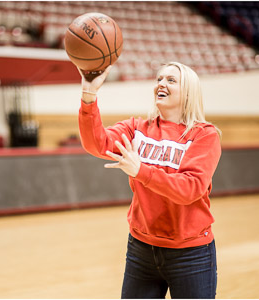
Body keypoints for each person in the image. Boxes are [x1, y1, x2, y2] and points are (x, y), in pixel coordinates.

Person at [78, 63, 221, 299]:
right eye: (159, 79)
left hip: (190, 254)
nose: (161, 84)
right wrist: (89, 94)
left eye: (171, 80)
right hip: (141, 249)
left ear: (189, 91)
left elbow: (190, 188)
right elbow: (97, 143)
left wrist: (140, 171)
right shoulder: (137, 128)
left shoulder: (204, 135)